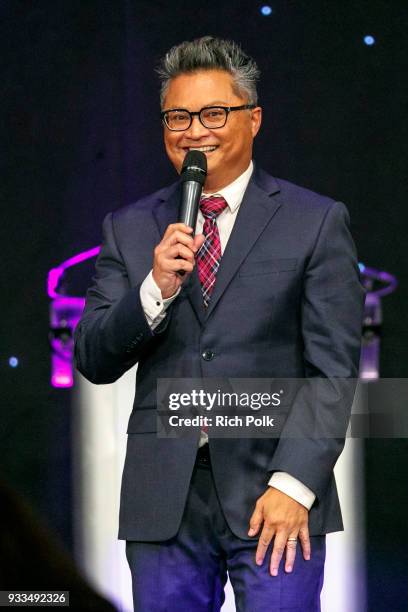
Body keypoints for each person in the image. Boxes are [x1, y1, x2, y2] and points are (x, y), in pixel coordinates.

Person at [74, 36, 364, 611]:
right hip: (165, 505)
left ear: (253, 119)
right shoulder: (130, 229)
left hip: (274, 495)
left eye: (213, 114)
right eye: (177, 117)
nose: (193, 132)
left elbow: (333, 371)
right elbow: (93, 358)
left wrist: (294, 485)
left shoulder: (314, 221)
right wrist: (154, 289)